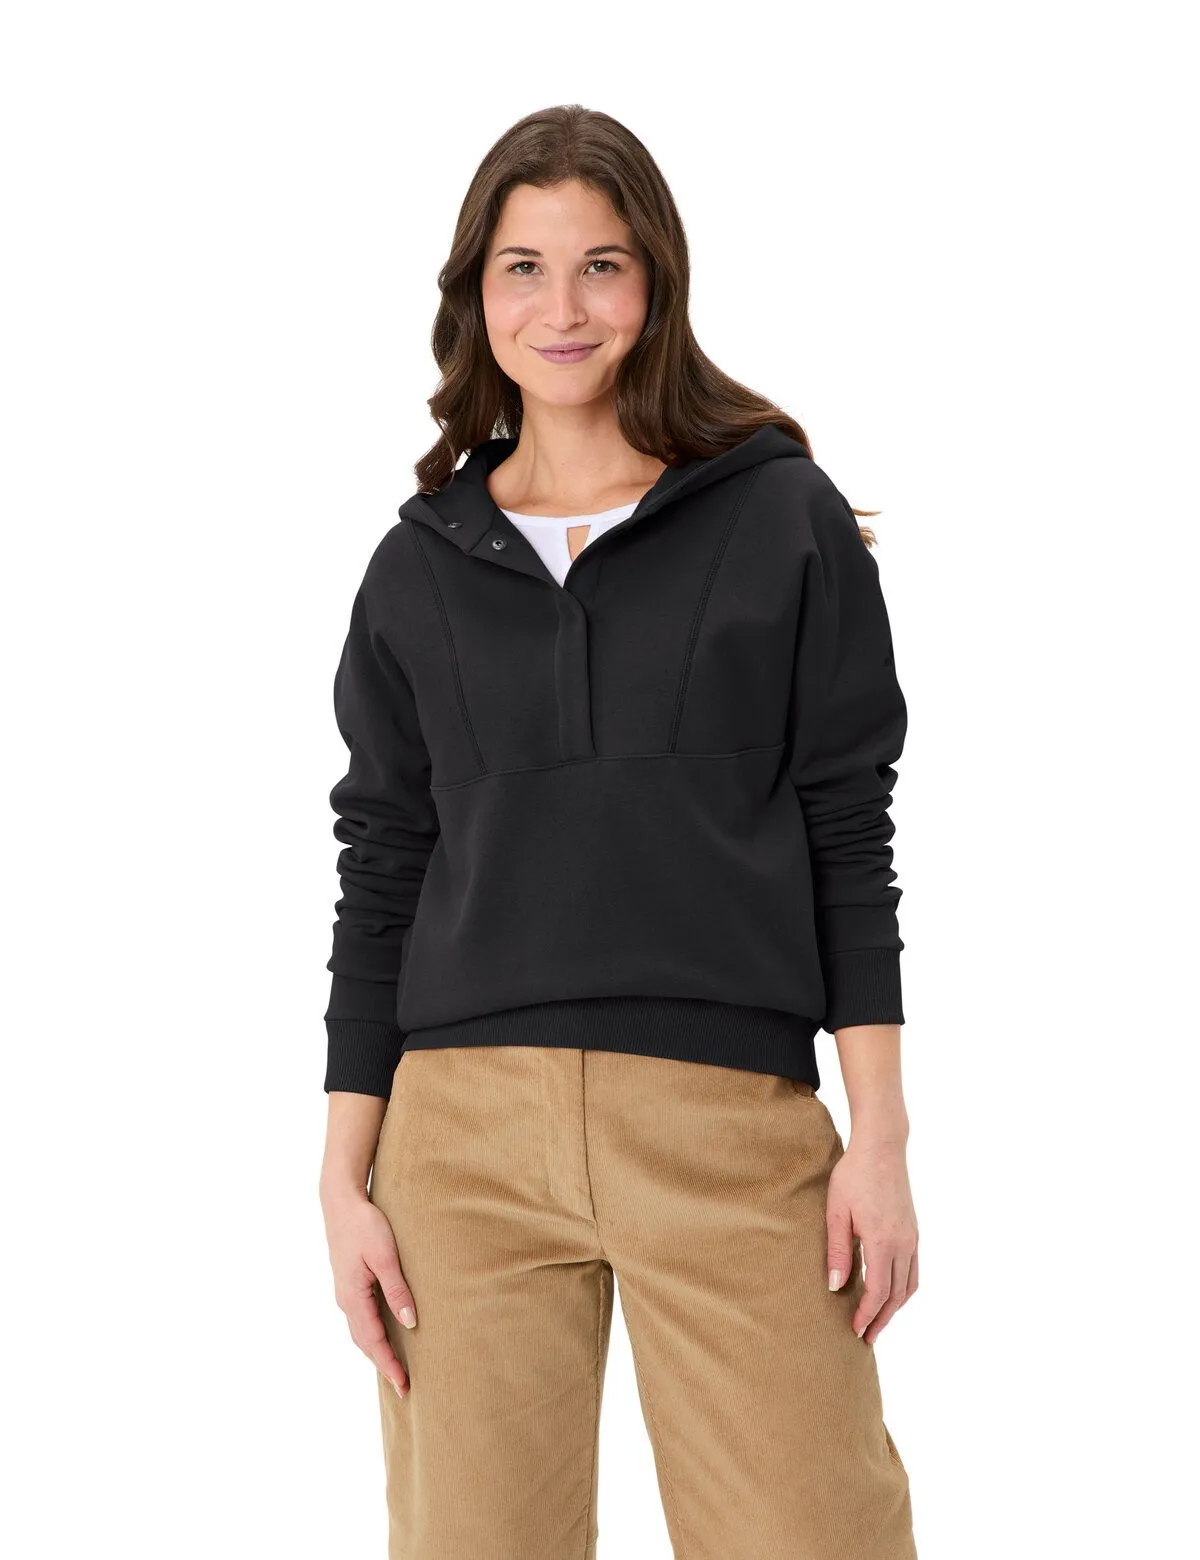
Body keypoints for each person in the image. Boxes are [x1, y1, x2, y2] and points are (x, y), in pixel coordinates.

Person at [319, 102, 920, 1560]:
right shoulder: (415, 567)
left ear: (657, 281)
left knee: (814, 1535)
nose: (564, 308)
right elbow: (382, 869)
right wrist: (344, 1173)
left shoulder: (780, 518)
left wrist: (882, 1137)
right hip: (458, 1142)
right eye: (522, 268)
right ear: (476, 295)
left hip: (727, 1124)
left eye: (602, 264)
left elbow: (848, 826)